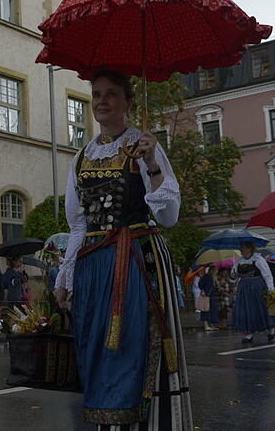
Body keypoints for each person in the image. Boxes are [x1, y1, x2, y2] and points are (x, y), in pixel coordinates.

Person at [53, 70, 191, 431]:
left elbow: (169, 216)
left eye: (112, 94)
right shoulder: (82, 156)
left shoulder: (145, 146)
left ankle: (143, 423)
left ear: (128, 102)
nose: (102, 100)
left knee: (133, 343)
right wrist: (65, 276)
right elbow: (78, 224)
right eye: (97, 94)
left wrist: (151, 163)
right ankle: (107, 423)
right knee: (96, 345)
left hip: (137, 259)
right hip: (94, 263)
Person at [230, 242, 275, 343]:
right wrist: (233, 276)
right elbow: (234, 278)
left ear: (249, 249)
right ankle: (248, 334)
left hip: (256, 286)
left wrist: (271, 289)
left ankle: (271, 329)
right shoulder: (238, 261)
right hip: (243, 288)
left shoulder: (258, 259)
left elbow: (267, 275)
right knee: (245, 310)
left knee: (260, 308)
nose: (241, 249)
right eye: (241, 247)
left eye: (243, 247)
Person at [199, 265, 220, 331]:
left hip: (212, 296)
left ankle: (211, 325)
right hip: (207, 295)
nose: (217, 271)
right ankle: (206, 326)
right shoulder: (207, 277)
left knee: (212, 310)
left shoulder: (214, 278)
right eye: (216, 269)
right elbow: (201, 285)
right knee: (206, 310)